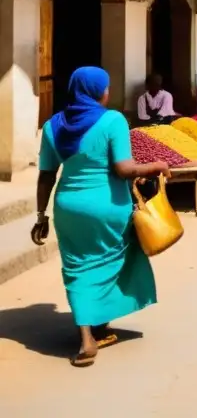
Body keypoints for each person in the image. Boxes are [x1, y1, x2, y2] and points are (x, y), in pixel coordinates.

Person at [31, 67, 167, 366]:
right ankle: (92, 330)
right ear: (98, 91)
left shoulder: (52, 126)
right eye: (106, 87)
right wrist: (154, 165)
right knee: (113, 260)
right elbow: (124, 169)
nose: (108, 92)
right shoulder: (113, 120)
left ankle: (89, 332)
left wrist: (41, 216)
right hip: (108, 206)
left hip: (68, 207)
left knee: (78, 266)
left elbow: (45, 176)